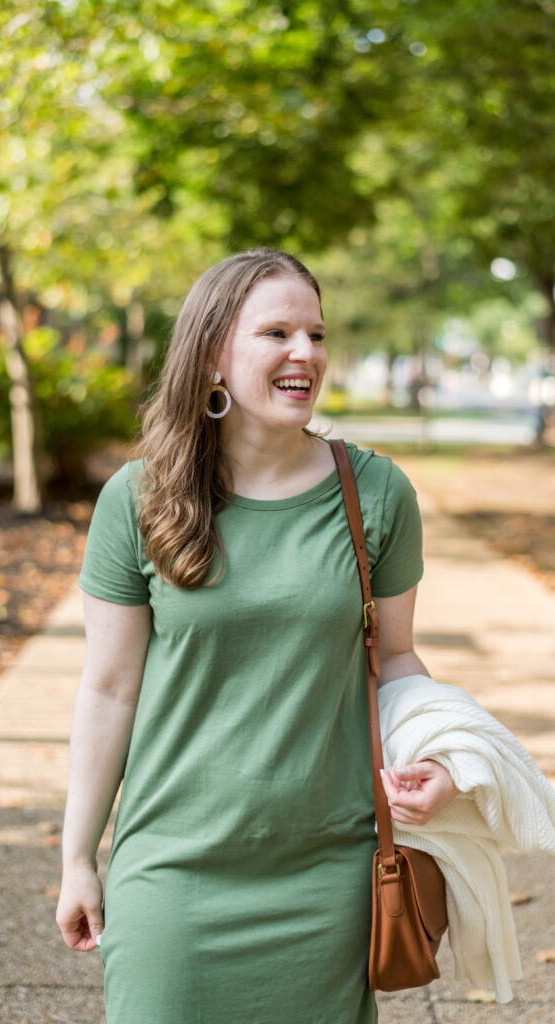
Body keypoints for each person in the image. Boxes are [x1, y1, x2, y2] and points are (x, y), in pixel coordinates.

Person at [56, 248, 459, 1024]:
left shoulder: (376, 493)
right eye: (276, 332)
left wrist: (435, 756)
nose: (305, 353)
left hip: (329, 875)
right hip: (172, 871)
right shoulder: (137, 500)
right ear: (213, 351)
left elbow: (397, 655)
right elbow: (108, 687)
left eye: (316, 333)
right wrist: (78, 857)